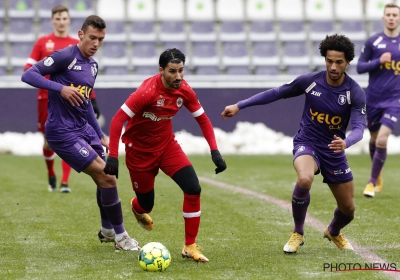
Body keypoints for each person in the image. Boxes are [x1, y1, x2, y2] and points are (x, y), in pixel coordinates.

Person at [221, 34, 366, 253]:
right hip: (307, 142)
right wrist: (240, 105)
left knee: (348, 209)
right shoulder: (310, 81)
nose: (333, 66)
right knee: (305, 178)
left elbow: (359, 128)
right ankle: (298, 232)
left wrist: (346, 143)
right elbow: (277, 93)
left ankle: (333, 231)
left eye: (339, 62)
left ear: (347, 62)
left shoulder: (354, 92)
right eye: (329, 61)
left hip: (334, 149)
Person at [21, 15, 139, 251]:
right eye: (92, 37)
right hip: (61, 132)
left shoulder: (93, 66)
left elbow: (85, 105)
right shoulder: (65, 56)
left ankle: (106, 230)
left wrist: (100, 134)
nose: (96, 43)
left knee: (103, 178)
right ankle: (121, 237)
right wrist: (60, 88)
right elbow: (28, 74)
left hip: (84, 129)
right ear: (81, 35)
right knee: (108, 177)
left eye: (101, 39)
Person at [103, 48, 227, 262]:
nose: (178, 76)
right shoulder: (146, 92)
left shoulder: (185, 90)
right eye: (172, 71)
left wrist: (214, 150)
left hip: (167, 147)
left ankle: (190, 246)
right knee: (146, 204)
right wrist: (113, 156)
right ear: (161, 70)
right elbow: (117, 120)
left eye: (181, 71)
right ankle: (137, 207)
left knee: (193, 188)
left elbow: (203, 120)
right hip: (139, 153)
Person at [24, 5, 101, 193]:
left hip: (74, 103)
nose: (61, 22)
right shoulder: (43, 42)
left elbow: (84, 81)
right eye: (57, 18)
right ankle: (51, 173)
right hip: (46, 99)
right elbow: (28, 70)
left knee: (75, 138)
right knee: (49, 141)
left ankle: (65, 181)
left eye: (64, 18)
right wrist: (57, 87)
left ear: (69, 21)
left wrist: (93, 100)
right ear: (52, 20)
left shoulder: (78, 44)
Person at [357, 3, 400, 198]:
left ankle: (371, 182)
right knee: (374, 140)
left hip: (394, 100)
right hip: (373, 99)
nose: (392, 17)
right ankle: (378, 173)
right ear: (384, 18)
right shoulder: (373, 42)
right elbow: (359, 67)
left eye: (395, 15)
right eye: (388, 14)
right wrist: (378, 62)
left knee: (382, 139)